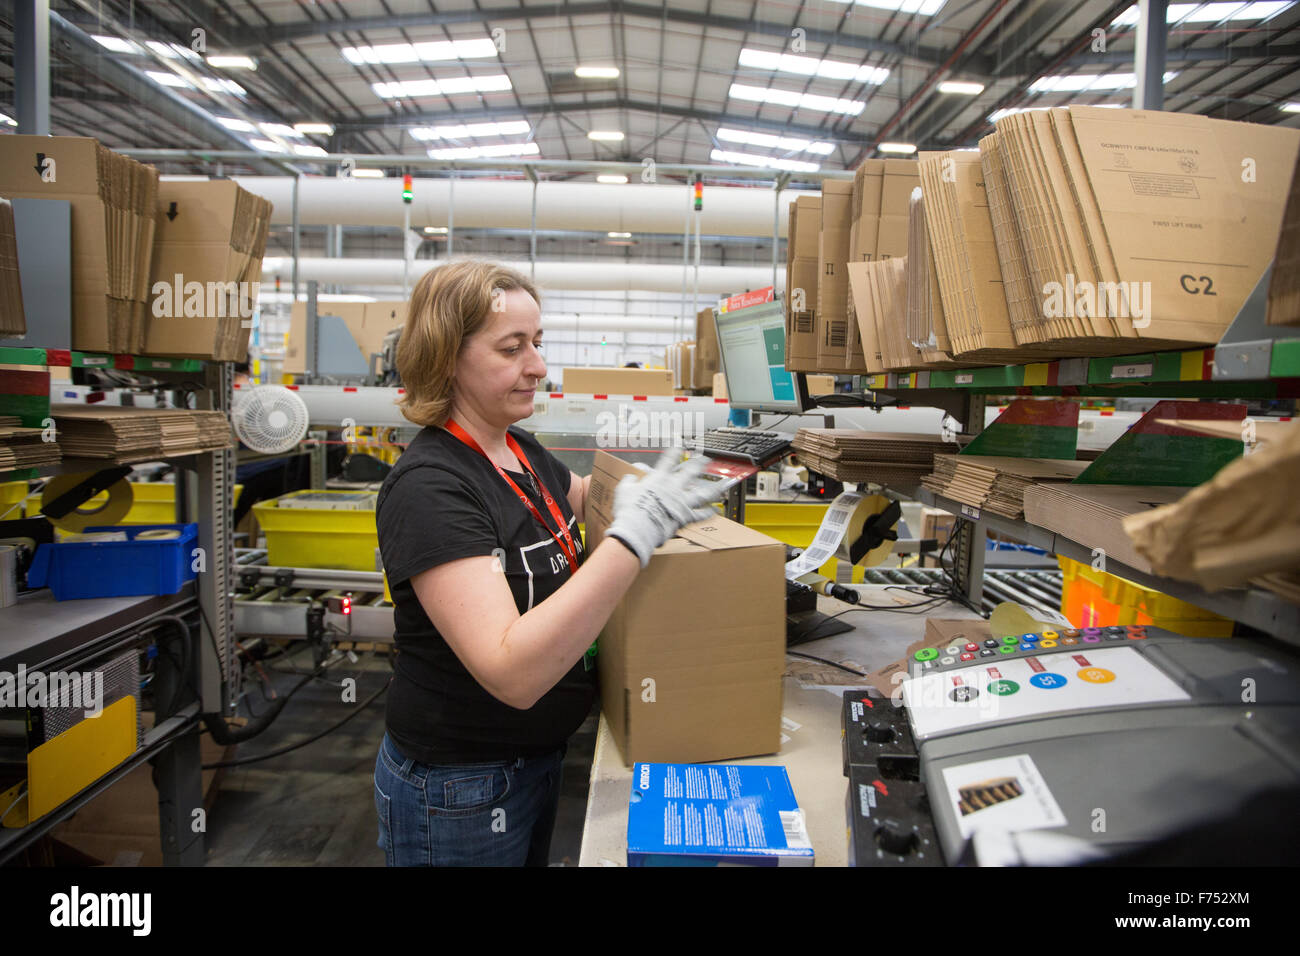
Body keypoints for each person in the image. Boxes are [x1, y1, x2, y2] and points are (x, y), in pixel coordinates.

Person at [373, 259, 720, 867]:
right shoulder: (432, 488)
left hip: (530, 762)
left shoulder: (515, 445)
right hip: (460, 787)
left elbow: (581, 498)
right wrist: (630, 541)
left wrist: (645, 491)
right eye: (512, 348)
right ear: (446, 357)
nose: (538, 366)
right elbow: (512, 673)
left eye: (537, 343)